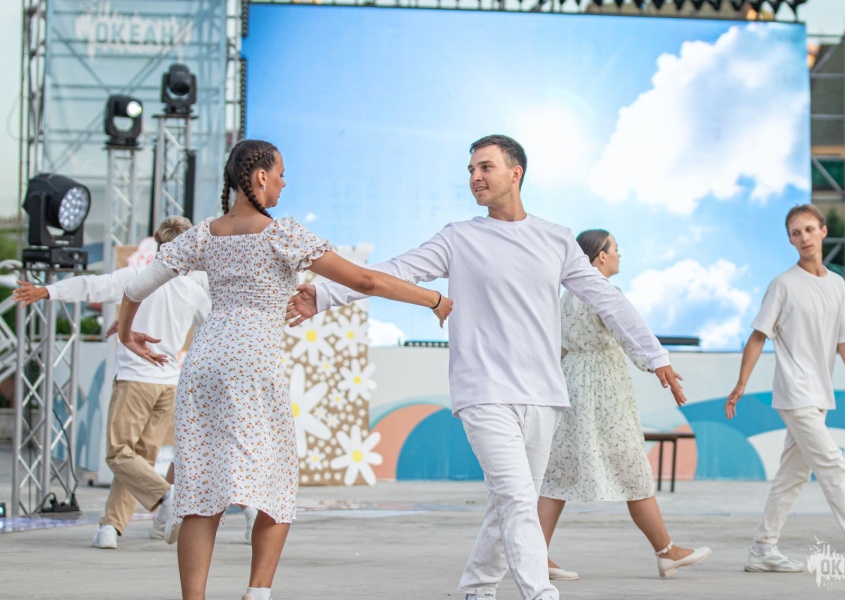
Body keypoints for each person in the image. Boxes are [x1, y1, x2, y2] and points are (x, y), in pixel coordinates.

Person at [289, 135, 686, 600]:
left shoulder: (556, 238)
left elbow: (606, 300)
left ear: (516, 173)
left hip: (544, 396)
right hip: (483, 392)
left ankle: (477, 589)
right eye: (471, 170)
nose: (475, 177)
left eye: (485, 167)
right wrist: (326, 294)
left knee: (509, 503)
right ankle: (540, 593)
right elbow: (398, 270)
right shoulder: (459, 238)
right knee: (518, 499)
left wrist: (655, 355)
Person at [117, 139, 452, 600]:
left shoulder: (203, 234)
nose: (283, 183)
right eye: (280, 174)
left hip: (204, 361)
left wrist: (126, 333)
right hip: (253, 362)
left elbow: (135, 288)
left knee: (200, 490)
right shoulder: (282, 234)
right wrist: (433, 299)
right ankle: (257, 593)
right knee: (275, 484)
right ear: (260, 177)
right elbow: (365, 280)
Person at [12, 216, 210, 550]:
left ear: (157, 240)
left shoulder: (139, 276)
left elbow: (93, 286)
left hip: (136, 379)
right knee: (139, 460)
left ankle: (166, 496)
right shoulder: (192, 290)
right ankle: (111, 527)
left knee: (119, 454)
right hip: (169, 383)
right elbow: (212, 328)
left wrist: (47, 290)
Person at [726, 203, 845, 574]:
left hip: (819, 393)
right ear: (790, 240)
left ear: (823, 231)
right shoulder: (783, 285)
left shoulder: (837, 284)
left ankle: (762, 549)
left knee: (794, 475)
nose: (803, 237)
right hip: (795, 392)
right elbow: (758, 336)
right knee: (832, 463)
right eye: (795, 233)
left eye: (808, 229)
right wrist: (740, 384)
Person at [537, 229, 710, 580]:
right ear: (601, 255)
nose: (619, 254)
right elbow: (628, 333)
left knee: (557, 473)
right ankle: (666, 551)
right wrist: (658, 366)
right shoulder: (604, 292)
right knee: (631, 466)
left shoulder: (565, 297)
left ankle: (534, 555)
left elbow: (557, 347)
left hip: (571, 384)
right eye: (615, 249)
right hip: (604, 388)